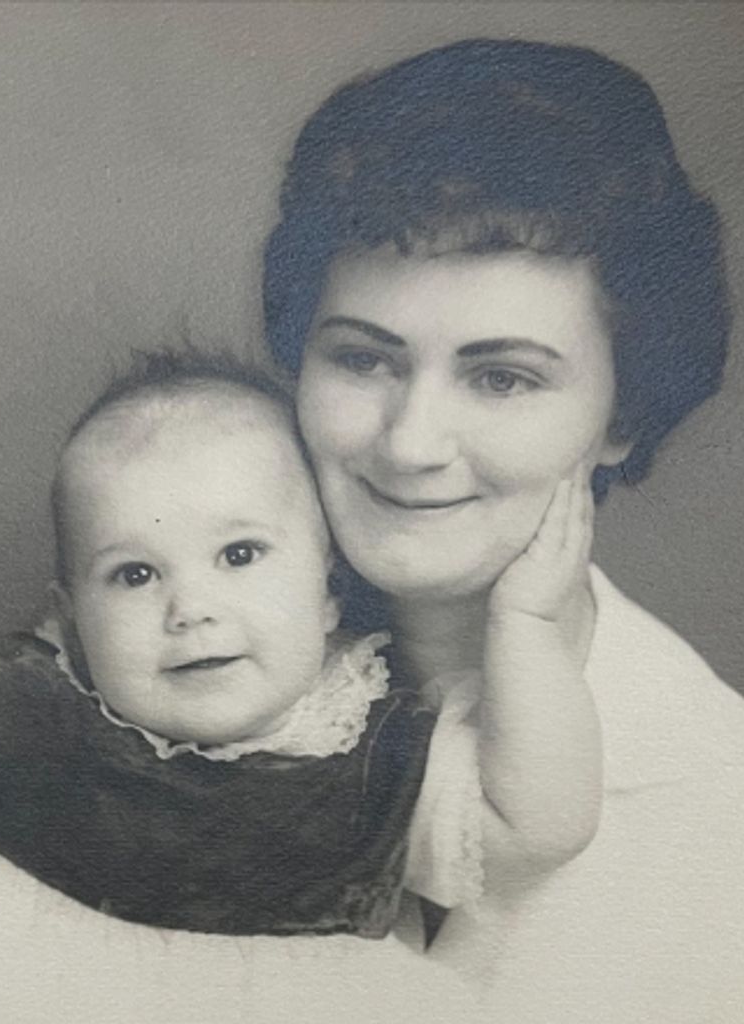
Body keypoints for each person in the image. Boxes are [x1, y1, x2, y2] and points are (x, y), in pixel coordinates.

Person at [263, 37, 744, 1021]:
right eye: (362, 359)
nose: (410, 443)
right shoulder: (165, 664)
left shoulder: (715, 798)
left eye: (501, 378)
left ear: (621, 416)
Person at [0, 345, 598, 942]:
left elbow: (536, 832)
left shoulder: (376, 762)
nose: (191, 610)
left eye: (239, 555)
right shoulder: (18, 703)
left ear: (329, 589)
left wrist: (529, 625)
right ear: (72, 620)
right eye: (136, 574)